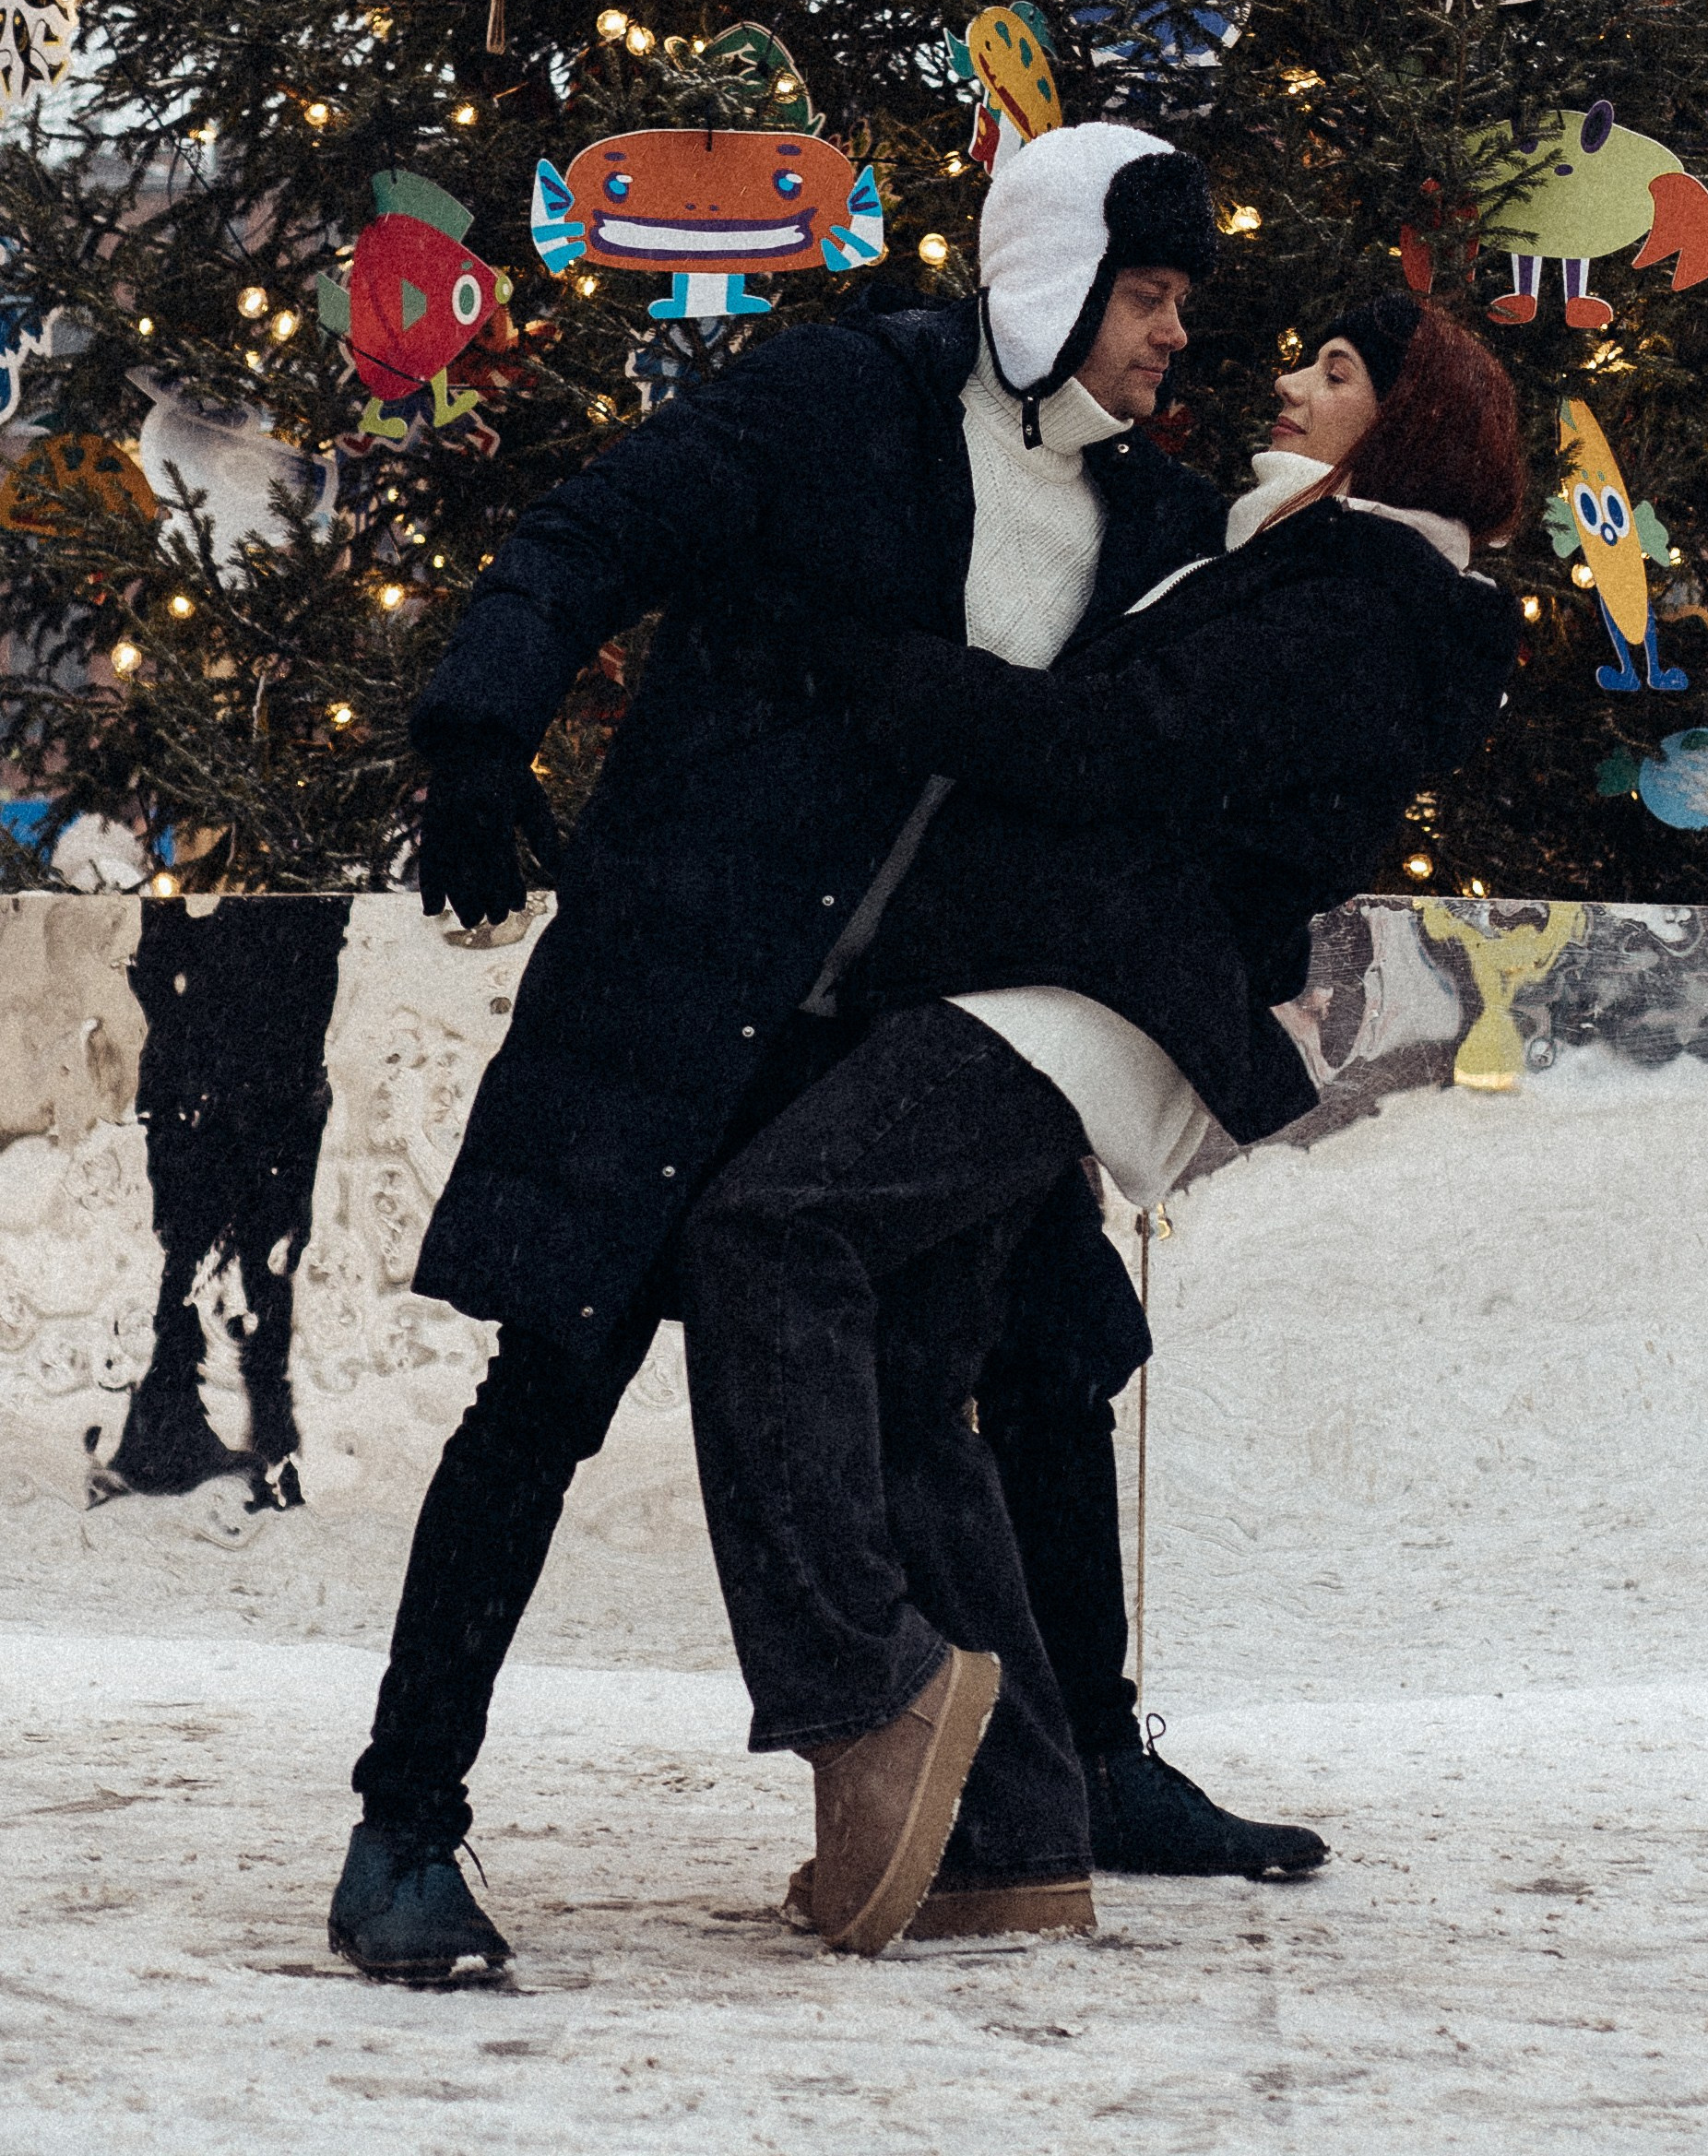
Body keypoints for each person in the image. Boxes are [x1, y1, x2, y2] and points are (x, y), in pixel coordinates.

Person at [329, 122, 1324, 1984]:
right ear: (1052, 279)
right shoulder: (837, 403)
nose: (1175, 333)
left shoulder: (1146, 518)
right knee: (544, 1398)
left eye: (1182, 300)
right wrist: (475, 734)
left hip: (891, 1043)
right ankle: (404, 1826)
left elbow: (1240, 708)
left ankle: (1089, 1767)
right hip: (677, 985)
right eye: (1146, 292)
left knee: (1048, 1357)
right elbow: (591, 530)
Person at [678, 296, 1525, 1953]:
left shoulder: (1369, 602)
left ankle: (865, 1688)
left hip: (1095, 992)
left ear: (1418, 422)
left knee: (772, 1228)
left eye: (1337, 370)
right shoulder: (1301, 557)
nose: (1288, 377)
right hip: (1055, 970)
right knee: (917, 1371)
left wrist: (874, 669)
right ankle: (1012, 1832)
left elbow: (1120, 747)